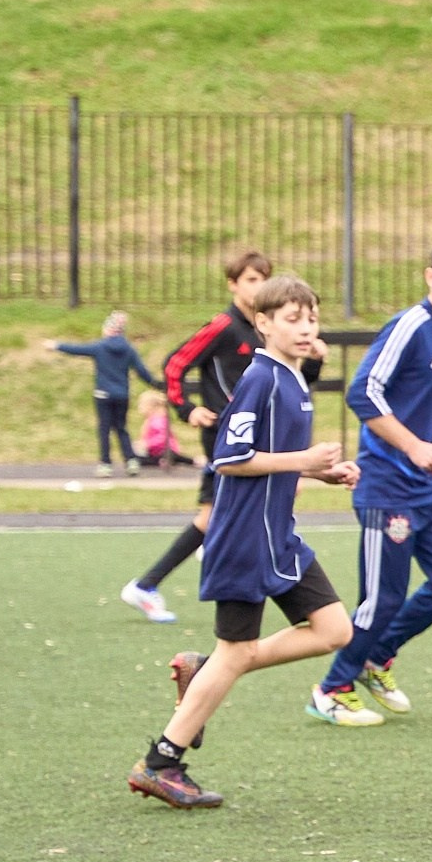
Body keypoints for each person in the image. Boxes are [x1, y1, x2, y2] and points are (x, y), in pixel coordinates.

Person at [128, 276, 363, 809]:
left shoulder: (293, 380)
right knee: (236, 654)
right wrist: (304, 462)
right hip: (244, 540)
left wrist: (319, 476)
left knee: (333, 630)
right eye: (292, 319)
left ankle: (204, 668)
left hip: (278, 536)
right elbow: (230, 460)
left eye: (311, 318)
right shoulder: (260, 379)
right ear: (262, 323)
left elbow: (270, 464)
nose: (306, 329)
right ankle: (161, 762)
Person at [310, 235, 432, 725]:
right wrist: (413, 445)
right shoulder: (411, 324)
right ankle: (331, 688)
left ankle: (375, 654)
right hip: (386, 488)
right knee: (382, 597)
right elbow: (362, 393)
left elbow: (408, 398)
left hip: (426, 489)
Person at [119, 251, 321, 625]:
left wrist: (314, 360)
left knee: (224, 514)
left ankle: (182, 567)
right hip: (227, 438)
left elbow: (289, 389)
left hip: (261, 440)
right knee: (214, 515)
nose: (259, 286)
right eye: (250, 280)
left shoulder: (272, 336)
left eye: (264, 278)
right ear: (233, 285)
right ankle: (152, 582)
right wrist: (186, 409)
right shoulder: (224, 326)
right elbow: (176, 363)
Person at [46, 311, 158, 477]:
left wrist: (56, 345)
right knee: (121, 428)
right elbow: (141, 371)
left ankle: (105, 464)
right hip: (122, 394)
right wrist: (157, 384)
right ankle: (131, 461)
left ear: (108, 329)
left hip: (103, 394)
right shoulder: (129, 349)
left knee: (104, 429)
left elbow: (77, 349)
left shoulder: (100, 347)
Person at [135, 390, 188, 469]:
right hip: (154, 452)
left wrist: (148, 443)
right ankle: (162, 461)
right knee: (138, 458)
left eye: (141, 406)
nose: (139, 408)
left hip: (165, 450)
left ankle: (190, 461)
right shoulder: (150, 420)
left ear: (150, 407)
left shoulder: (158, 420)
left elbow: (163, 437)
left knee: (168, 456)